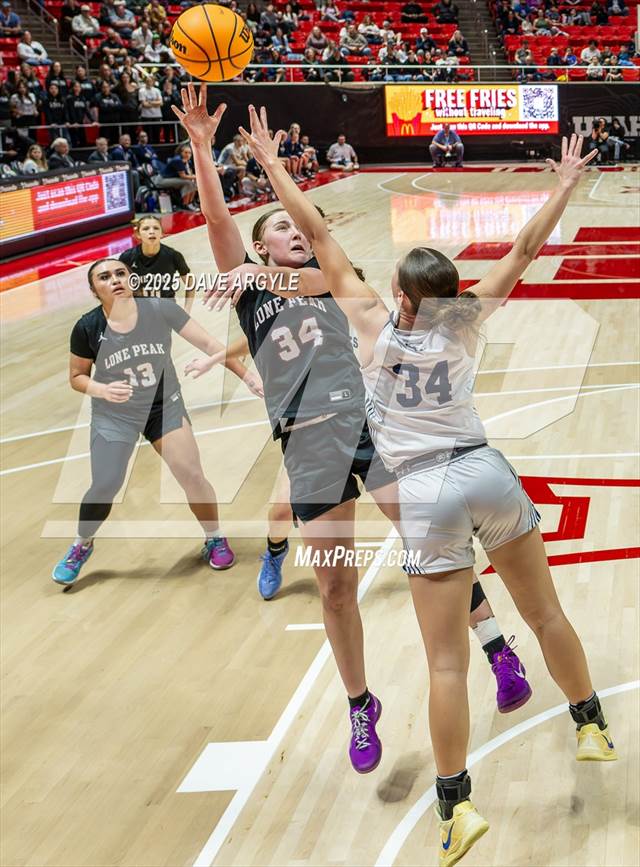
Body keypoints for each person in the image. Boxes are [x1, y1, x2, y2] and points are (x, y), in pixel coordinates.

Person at [242, 110, 617, 866]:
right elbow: (526, 247)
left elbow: (318, 239)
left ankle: (457, 806)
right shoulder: (466, 319)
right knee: (543, 614)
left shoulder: (376, 327)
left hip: (426, 492)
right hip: (486, 470)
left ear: (398, 293)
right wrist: (566, 185)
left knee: (446, 662)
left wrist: (274, 165)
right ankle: (589, 721)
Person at [176, 89, 535, 776]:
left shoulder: (315, 276)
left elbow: (314, 272)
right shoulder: (247, 279)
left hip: (369, 434)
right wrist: (200, 147)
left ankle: (496, 646)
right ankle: (359, 703)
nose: (293, 232)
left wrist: (273, 258)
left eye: (296, 227)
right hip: (310, 449)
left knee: (432, 544)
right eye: (279, 228)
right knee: (336, 586)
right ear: (257, 242)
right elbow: (219, 218)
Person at [50, 258, 262, 586]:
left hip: (163, 406)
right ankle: (82, 544)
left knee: (192, 475)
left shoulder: (160, 309)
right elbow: (77, 377)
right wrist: (101, 388)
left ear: (132, 280)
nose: (115, 280)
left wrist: (247, 375)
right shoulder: (87, 327)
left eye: (121, 273)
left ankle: (214, 537)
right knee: (105, 485)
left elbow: (210, 345)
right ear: (95, 291)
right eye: (105, 277)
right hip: (114, 413)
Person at [119, 215, 195, 311]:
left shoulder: (173, 256)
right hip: (138, 312)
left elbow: (190, 284)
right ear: (138, 234)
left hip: (166, 310)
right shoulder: (127, 257)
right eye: (146, 229)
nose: (151, 232)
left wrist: (187, 309)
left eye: (156, 228)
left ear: (161, 233)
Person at [154, 143, 199, 211]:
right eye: (185, 152)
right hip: (161, 180)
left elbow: (190, 174)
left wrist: (195, 178)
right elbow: (183, 176)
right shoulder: (178, 160)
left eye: (190, 153)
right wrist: (197, 177)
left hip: (170, 178)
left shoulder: (188, 161)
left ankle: (191, 202)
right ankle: (185, 204)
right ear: (181, 153)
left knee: (194, 183)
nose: (188, 155)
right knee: (188, 183)